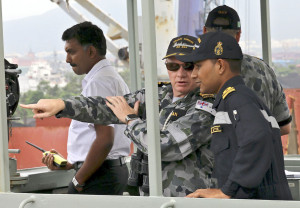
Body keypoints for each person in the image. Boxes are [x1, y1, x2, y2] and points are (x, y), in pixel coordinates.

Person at [21, 35, 216, 197]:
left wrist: (131, 120)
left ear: (198, 67)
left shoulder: (205, 107)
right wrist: (63, 105)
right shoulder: (157, 95)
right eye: (173, 67)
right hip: (151, 198)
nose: (180, 74)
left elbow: (164, 147)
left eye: (188, 66)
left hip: (187, 201)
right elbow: (107, 107)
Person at [181, 31, 292, 200]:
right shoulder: (235, 99)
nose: (194, 74)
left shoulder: (237, 99)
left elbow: (257, 137)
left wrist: (227, 191)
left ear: (220, 65)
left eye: (198, 66)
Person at [39, 22, 131, 195]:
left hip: (98, 176)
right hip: (104, 171)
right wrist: (73, 162)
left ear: (90, 51)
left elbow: (105, 140)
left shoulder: (99, 83)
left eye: (71, 52)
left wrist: (78, 179)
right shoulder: (108, 78)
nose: (67, 60)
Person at [203, 5, 292, 135]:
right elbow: (284, 126)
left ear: (205, 31)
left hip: (219, 154)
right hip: (259, 153)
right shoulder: (264, 70)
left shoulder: (195, 71)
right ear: (238, 35)